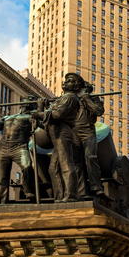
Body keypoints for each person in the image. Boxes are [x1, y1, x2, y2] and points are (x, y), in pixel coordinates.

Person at [32, 73, 83, 201]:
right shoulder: (62, 99)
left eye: (70, 81)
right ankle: (60, 197)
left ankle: (71, 195)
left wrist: (39, 114)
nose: (65, 82)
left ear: (76, 86)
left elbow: (57, 114)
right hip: (56, 134)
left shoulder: (69, 98)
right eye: (65, 80)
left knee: (66, 165)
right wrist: (41, 109)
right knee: (53, 168)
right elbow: (48, 118)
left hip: (62, 132)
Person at [0, 95, 39, 203]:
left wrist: (41, 108)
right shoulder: (7, 117)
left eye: (32, 99)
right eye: (27, 98)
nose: (28, 100)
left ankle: (29, 191)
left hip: (19, 147)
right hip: (3, 148)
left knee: (27, 167)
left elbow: (44, 122)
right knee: (2, 178)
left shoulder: (32, 117)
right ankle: (0, 202)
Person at [74, 81, 105, 199]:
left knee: (91, 157)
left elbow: (99, 112)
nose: (83, 91)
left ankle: (96, 187)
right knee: (75, 160)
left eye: (86, 90)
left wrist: (87, 99)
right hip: (74, 131)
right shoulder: (72, 99)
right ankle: (81, 190)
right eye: (82, 89)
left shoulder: (94, 99)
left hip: (88, 130)